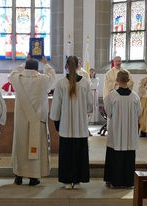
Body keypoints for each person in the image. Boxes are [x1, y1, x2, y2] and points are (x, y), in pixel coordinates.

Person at [10, 56, 55, 186]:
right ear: (37, 68)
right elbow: (52, 74)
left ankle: (18, 176)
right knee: (35, 147)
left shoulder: (17, 79)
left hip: (21, 121)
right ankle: (33, 177)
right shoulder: (43, 79)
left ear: (25, 67)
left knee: (21, 146)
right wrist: (46, 64)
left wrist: (25, 61)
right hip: (37, 120)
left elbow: (13, 72)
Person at [50, 56, 93, 189]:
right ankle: (78, 181)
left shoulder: (61, 83)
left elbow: (56, 106)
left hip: (66, 126)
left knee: (67, 154)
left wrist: (56, 121)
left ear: (67, 66)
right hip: (80, 126)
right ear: (78, 66)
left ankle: (67, 181)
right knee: (79, 153)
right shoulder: (85, 83)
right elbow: (90, 105)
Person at [103, 70, 141, 188]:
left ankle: (114, 181)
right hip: (130, 134)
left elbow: (108, 113)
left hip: (116, 133)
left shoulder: (112, 96)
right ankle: (128, 182)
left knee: (114, 154)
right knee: (129, 157)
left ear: (117, 80)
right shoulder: (135, 97)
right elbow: (138, 113)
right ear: (128, 80)